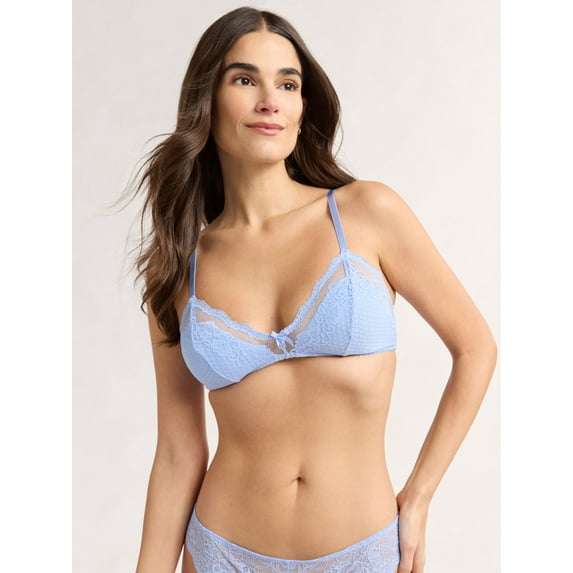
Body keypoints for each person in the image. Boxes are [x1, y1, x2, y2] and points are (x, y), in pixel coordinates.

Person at [130, 6, 497, 573]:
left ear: (303, 109)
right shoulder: (180, 267)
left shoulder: (367, 213)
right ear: (208, 100)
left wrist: (419, 497)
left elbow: (475, 348)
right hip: (221, 552)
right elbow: (179, 452)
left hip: (364, 552)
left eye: (288, 84)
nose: (269, 100)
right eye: (244, 79)